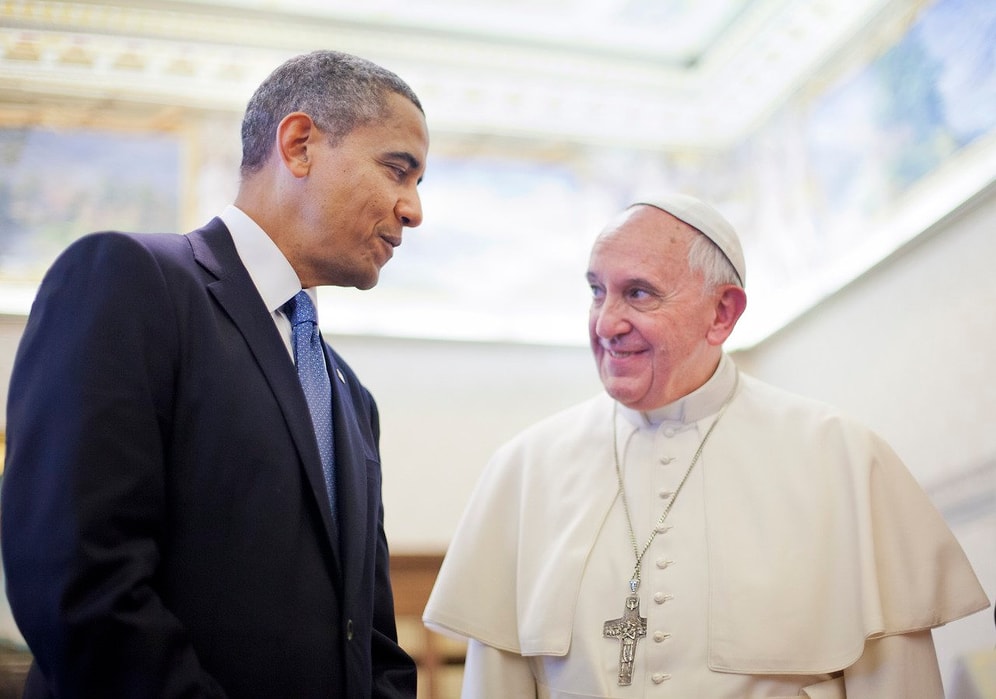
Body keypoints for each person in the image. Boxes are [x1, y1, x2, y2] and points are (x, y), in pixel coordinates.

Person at [423, 193, 990, 698]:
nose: (606, 322)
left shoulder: (840, 456)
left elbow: (898, 684)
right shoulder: (526, 468)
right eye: (597, 291)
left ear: (722, 313)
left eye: (638, 294)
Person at [2, 49, 428, 698]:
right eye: (399, 170)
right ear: (300, 144)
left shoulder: (348, 395)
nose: (414, 209)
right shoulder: (131, 281)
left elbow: (369, 639)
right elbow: (81, 585)